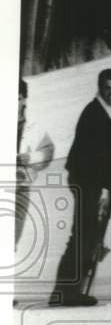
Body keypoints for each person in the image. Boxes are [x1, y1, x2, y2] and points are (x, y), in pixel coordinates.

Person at [50, 68, 111, 306]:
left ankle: (70, 290)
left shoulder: (107, 113)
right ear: (100, 87)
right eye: (107, 88)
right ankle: (65, 292)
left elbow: (107, 156)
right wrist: (103, 190)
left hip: (90, 182)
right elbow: (93, 158)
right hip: (85, 181)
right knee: (83, 235)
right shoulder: (94, 113)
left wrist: (108, 187)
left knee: (87, 236)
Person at [15, 78, 54, 247]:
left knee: (10, 243)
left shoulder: (34, 126)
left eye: (17, 98)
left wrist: (31, 157)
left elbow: (48, 151)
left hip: (20, 190)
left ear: (24, 99)